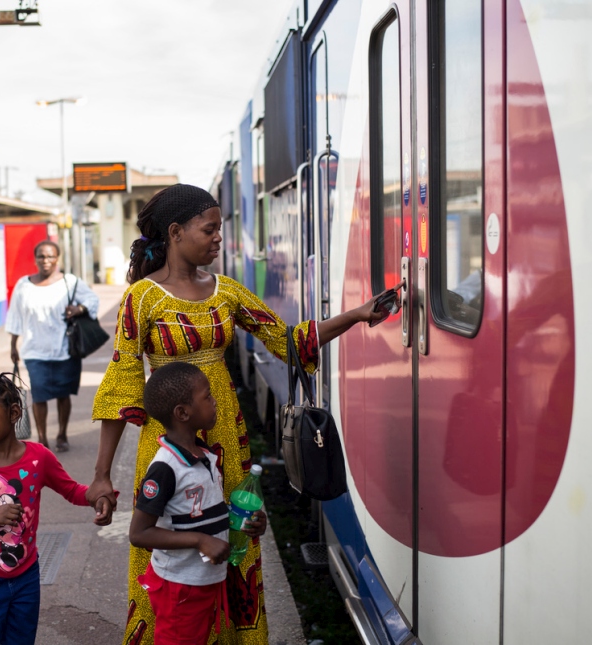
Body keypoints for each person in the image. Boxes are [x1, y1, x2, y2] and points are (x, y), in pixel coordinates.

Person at [88, 184, 389, 644]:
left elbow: (287, 340)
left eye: (219, 230)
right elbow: (120, 387)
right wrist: (101, 474)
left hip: (229, 440)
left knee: (238, 539)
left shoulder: (226, 291)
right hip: (167, 444)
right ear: (175, 232)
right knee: (174, 541)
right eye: (210, 230)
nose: (218, 239)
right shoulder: (141, 300)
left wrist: (355, 315)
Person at [0, 372, 115, 645]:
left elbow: (72, 490)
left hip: (26, 577)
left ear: (14, 413)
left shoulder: (39, 458)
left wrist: (99, 497)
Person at [129, 362, 267, 645]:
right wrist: (201, 541)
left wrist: (246, 524)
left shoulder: (203, 455)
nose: (215, 402)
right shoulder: (165, 468)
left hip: (201, 581)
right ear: (183, 412)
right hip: (180, 587)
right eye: (207, 397)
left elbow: (203, 512)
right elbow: (139, 533)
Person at [6, 241, 99, 451]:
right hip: (34, 350)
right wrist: (13, 345)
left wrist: (79, 309)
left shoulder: (70, 282)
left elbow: (92, 300)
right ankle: (43, 439)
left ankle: (62, 434)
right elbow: (15, 316)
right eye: (41, 256)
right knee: (39, 395)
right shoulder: (23, 285)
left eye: (50, 256)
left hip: (66, 350)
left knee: (63, 394)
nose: (45, 261)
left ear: (57, 259)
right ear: (35, 258)